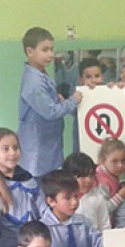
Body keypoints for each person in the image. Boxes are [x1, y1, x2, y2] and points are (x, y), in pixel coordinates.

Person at [17, 27, 82, 177]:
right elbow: (50, 112)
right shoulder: (34, 82)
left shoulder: (41, 74)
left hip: (48, 142)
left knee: (50, 179)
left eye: (52, 49)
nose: (50, 54)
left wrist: (59, 100)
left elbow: (48, 104)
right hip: (37, 145)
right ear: (30, 51)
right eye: (45, 50)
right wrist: (72, 101)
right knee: (39, 182)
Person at [71, 57, 125, 154]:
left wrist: (118, 89)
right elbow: (72, 111)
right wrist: (76, 99)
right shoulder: (78, 96)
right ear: (81, 80)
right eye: (88, 77)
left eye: (97, 76)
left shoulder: (109, 91)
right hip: (83, 144)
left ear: (102, 77)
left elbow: (119, 106)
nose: (93, 80)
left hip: (107, 145)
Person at [63, 152, 111, 232]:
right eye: (83, 176)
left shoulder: (98, 199)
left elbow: (105, 227)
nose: (88, 180)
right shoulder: (62, 200)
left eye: (91, 175)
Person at [94, 138, 125, 220]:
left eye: (123, 161)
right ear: (103, 161)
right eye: (114, 161)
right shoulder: (101, 181)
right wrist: (120, 196)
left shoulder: (112, 174)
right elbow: (103, 210)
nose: (120, 165)